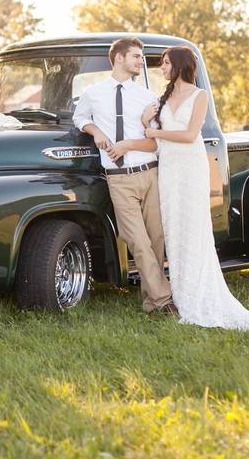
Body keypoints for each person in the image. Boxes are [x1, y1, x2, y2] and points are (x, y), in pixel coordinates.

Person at [143, 46, 249, 333]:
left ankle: (197, 296)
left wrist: (154, 132)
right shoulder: (162, 98)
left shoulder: (199, 95)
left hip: (190, 168)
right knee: (175, 228)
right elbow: (151, 132)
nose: (162, 67)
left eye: (166, 63)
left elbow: (191, 134)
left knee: (193, 229)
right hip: (169, 169)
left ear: (179, 65)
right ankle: (181, 294)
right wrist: (148, 121)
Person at [72, 37, 177, 315]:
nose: (141, 62)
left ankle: (151, 302)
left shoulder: (147, 98)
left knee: (156, 242)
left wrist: (127, 144)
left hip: (149, 175)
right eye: (136, 57)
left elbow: (154, 143)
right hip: (118, 179)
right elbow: (79, 118)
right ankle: (165, 301)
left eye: (140, 57)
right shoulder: (93, 94)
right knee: (138, 243)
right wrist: (96, 131)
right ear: (119, 58)